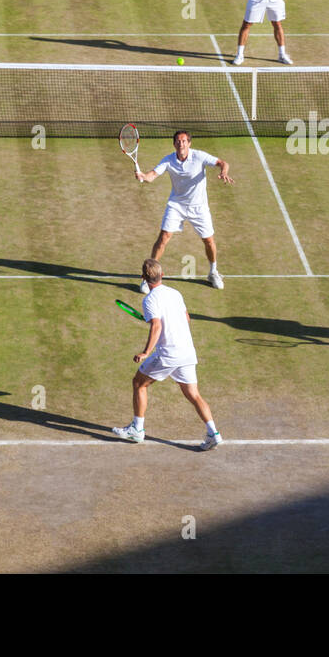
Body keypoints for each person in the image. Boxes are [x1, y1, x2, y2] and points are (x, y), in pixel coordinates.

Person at [112, 258, 223, 449]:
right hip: (187, 351)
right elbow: (186, 319)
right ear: (162, 275)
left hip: (168, 354)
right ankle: (214, 433)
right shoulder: (176, 293)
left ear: (143, 278)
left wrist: (146, 352)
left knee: (138, 383)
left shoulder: (149, 300)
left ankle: (137, 430)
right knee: (194, 394)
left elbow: (157, 325)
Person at [135, 130, 233, 289]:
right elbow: (152, 175)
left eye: (184, 141)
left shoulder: (199, 156)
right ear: (174, 144)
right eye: (178, 141)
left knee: (208, 240)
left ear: (189, 143)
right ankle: (149, 277)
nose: (181, 144)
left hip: (199, 207)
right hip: (176, 205)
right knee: (163, 238)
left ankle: (213, 272)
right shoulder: (168, 160)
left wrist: (224, 172)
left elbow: (223, 163)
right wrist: (143, 176)